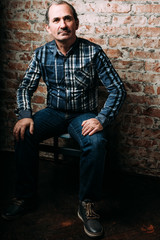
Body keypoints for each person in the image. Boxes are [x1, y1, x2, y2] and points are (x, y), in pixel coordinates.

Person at [1, 1, 126, 238]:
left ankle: (87, 205)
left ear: (76, 23)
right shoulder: (41, 53)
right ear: (48, 27)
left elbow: (118, 89)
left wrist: (102, 118)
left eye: (67, 19)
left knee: (97, 142)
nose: (63, 25)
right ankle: (25, 197)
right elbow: (25, 87)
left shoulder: (94, 52)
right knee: (22, 132)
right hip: (54, 112)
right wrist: (25, 115)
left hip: (83, 115)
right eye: (56, 20)